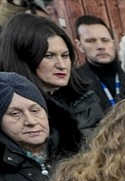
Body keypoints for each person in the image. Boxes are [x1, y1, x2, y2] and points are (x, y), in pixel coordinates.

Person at [0, 15, 105, 156]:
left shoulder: (86, 98)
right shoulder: (9, 106)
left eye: (65, 55)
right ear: (25, 60)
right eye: (49, 56)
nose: (61, 65)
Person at [73, 14, 120, 107]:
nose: (100, 46)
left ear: (114, 43)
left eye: (105, 40)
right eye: (91, 41)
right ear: (80, 46)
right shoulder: (75, 82)